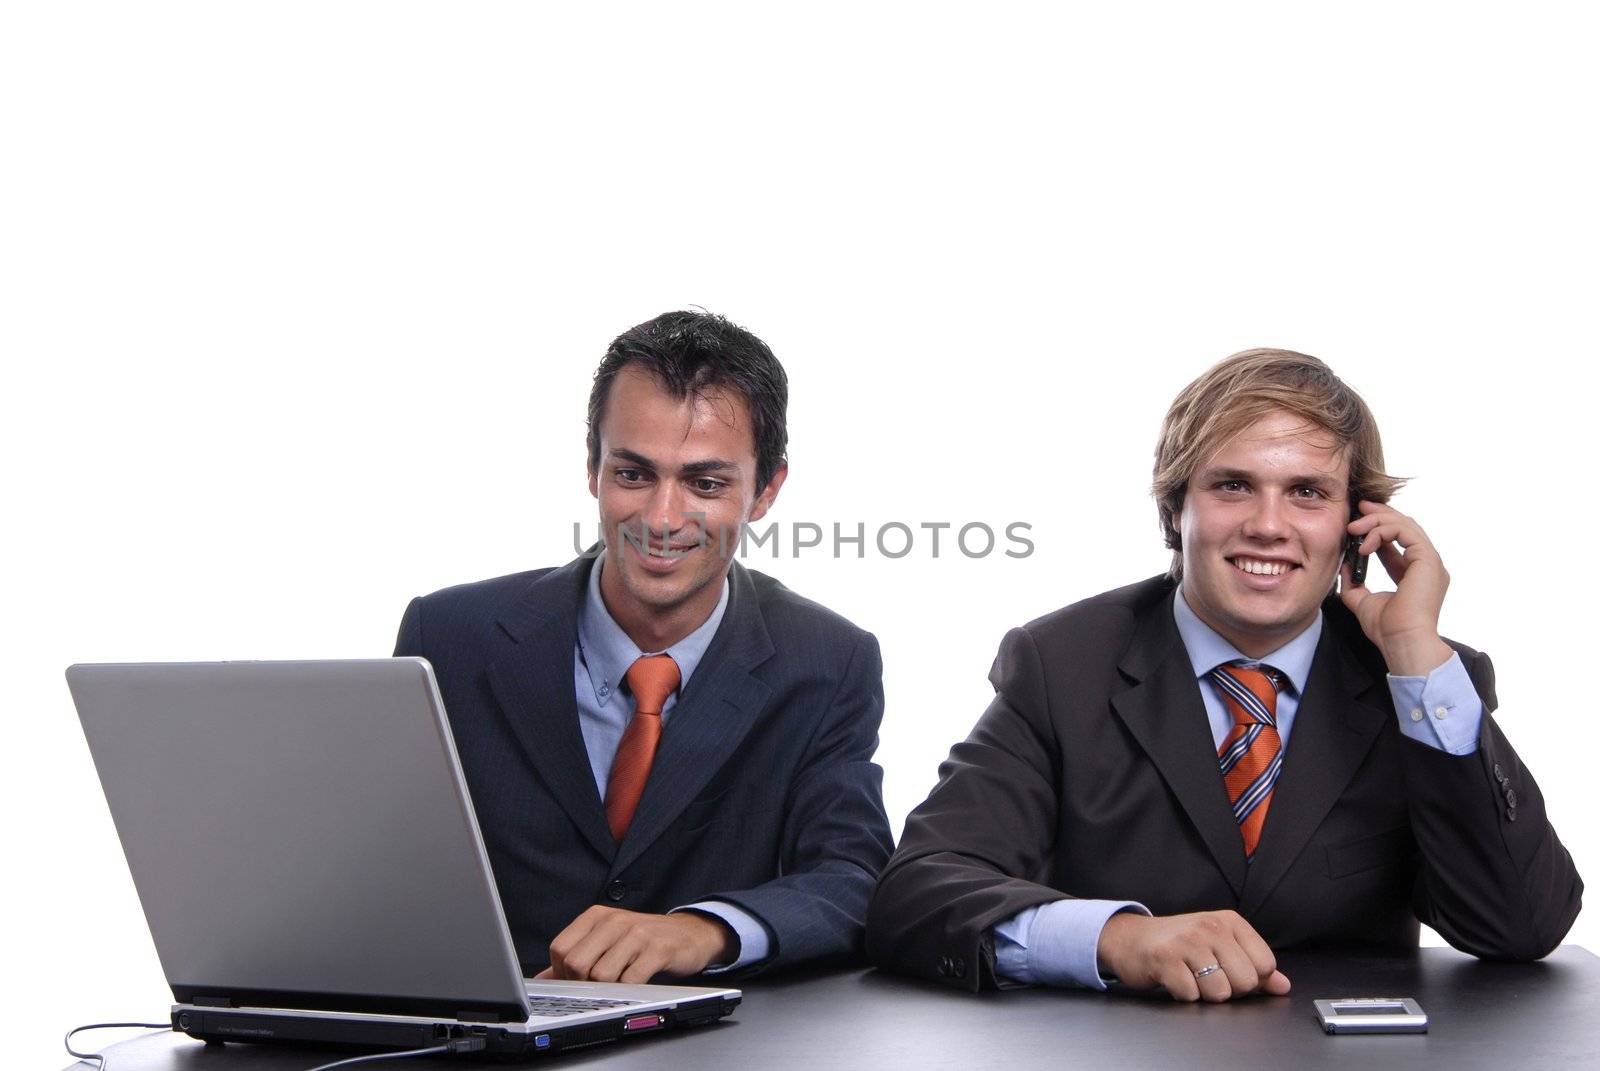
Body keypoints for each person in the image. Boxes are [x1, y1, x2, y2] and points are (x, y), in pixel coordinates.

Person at [866, 348, 1582, 1000]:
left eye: (1307, 492)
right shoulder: (1062, 663)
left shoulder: (1418, 679)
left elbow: (1521, 925)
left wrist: (1418, 657)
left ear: (1356, 528)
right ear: (1176, 508)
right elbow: (917, 893)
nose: (1269, 525)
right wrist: (1118, 937)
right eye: (1234, 485)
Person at [395, 310, 892, 982]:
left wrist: (705, 927)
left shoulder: (829, 662)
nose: (662, 519)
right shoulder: (448, 636)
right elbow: (387, 864)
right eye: (633, 474)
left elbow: (855, 881)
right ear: (592, 468)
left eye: (705, 483)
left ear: (767, 489)